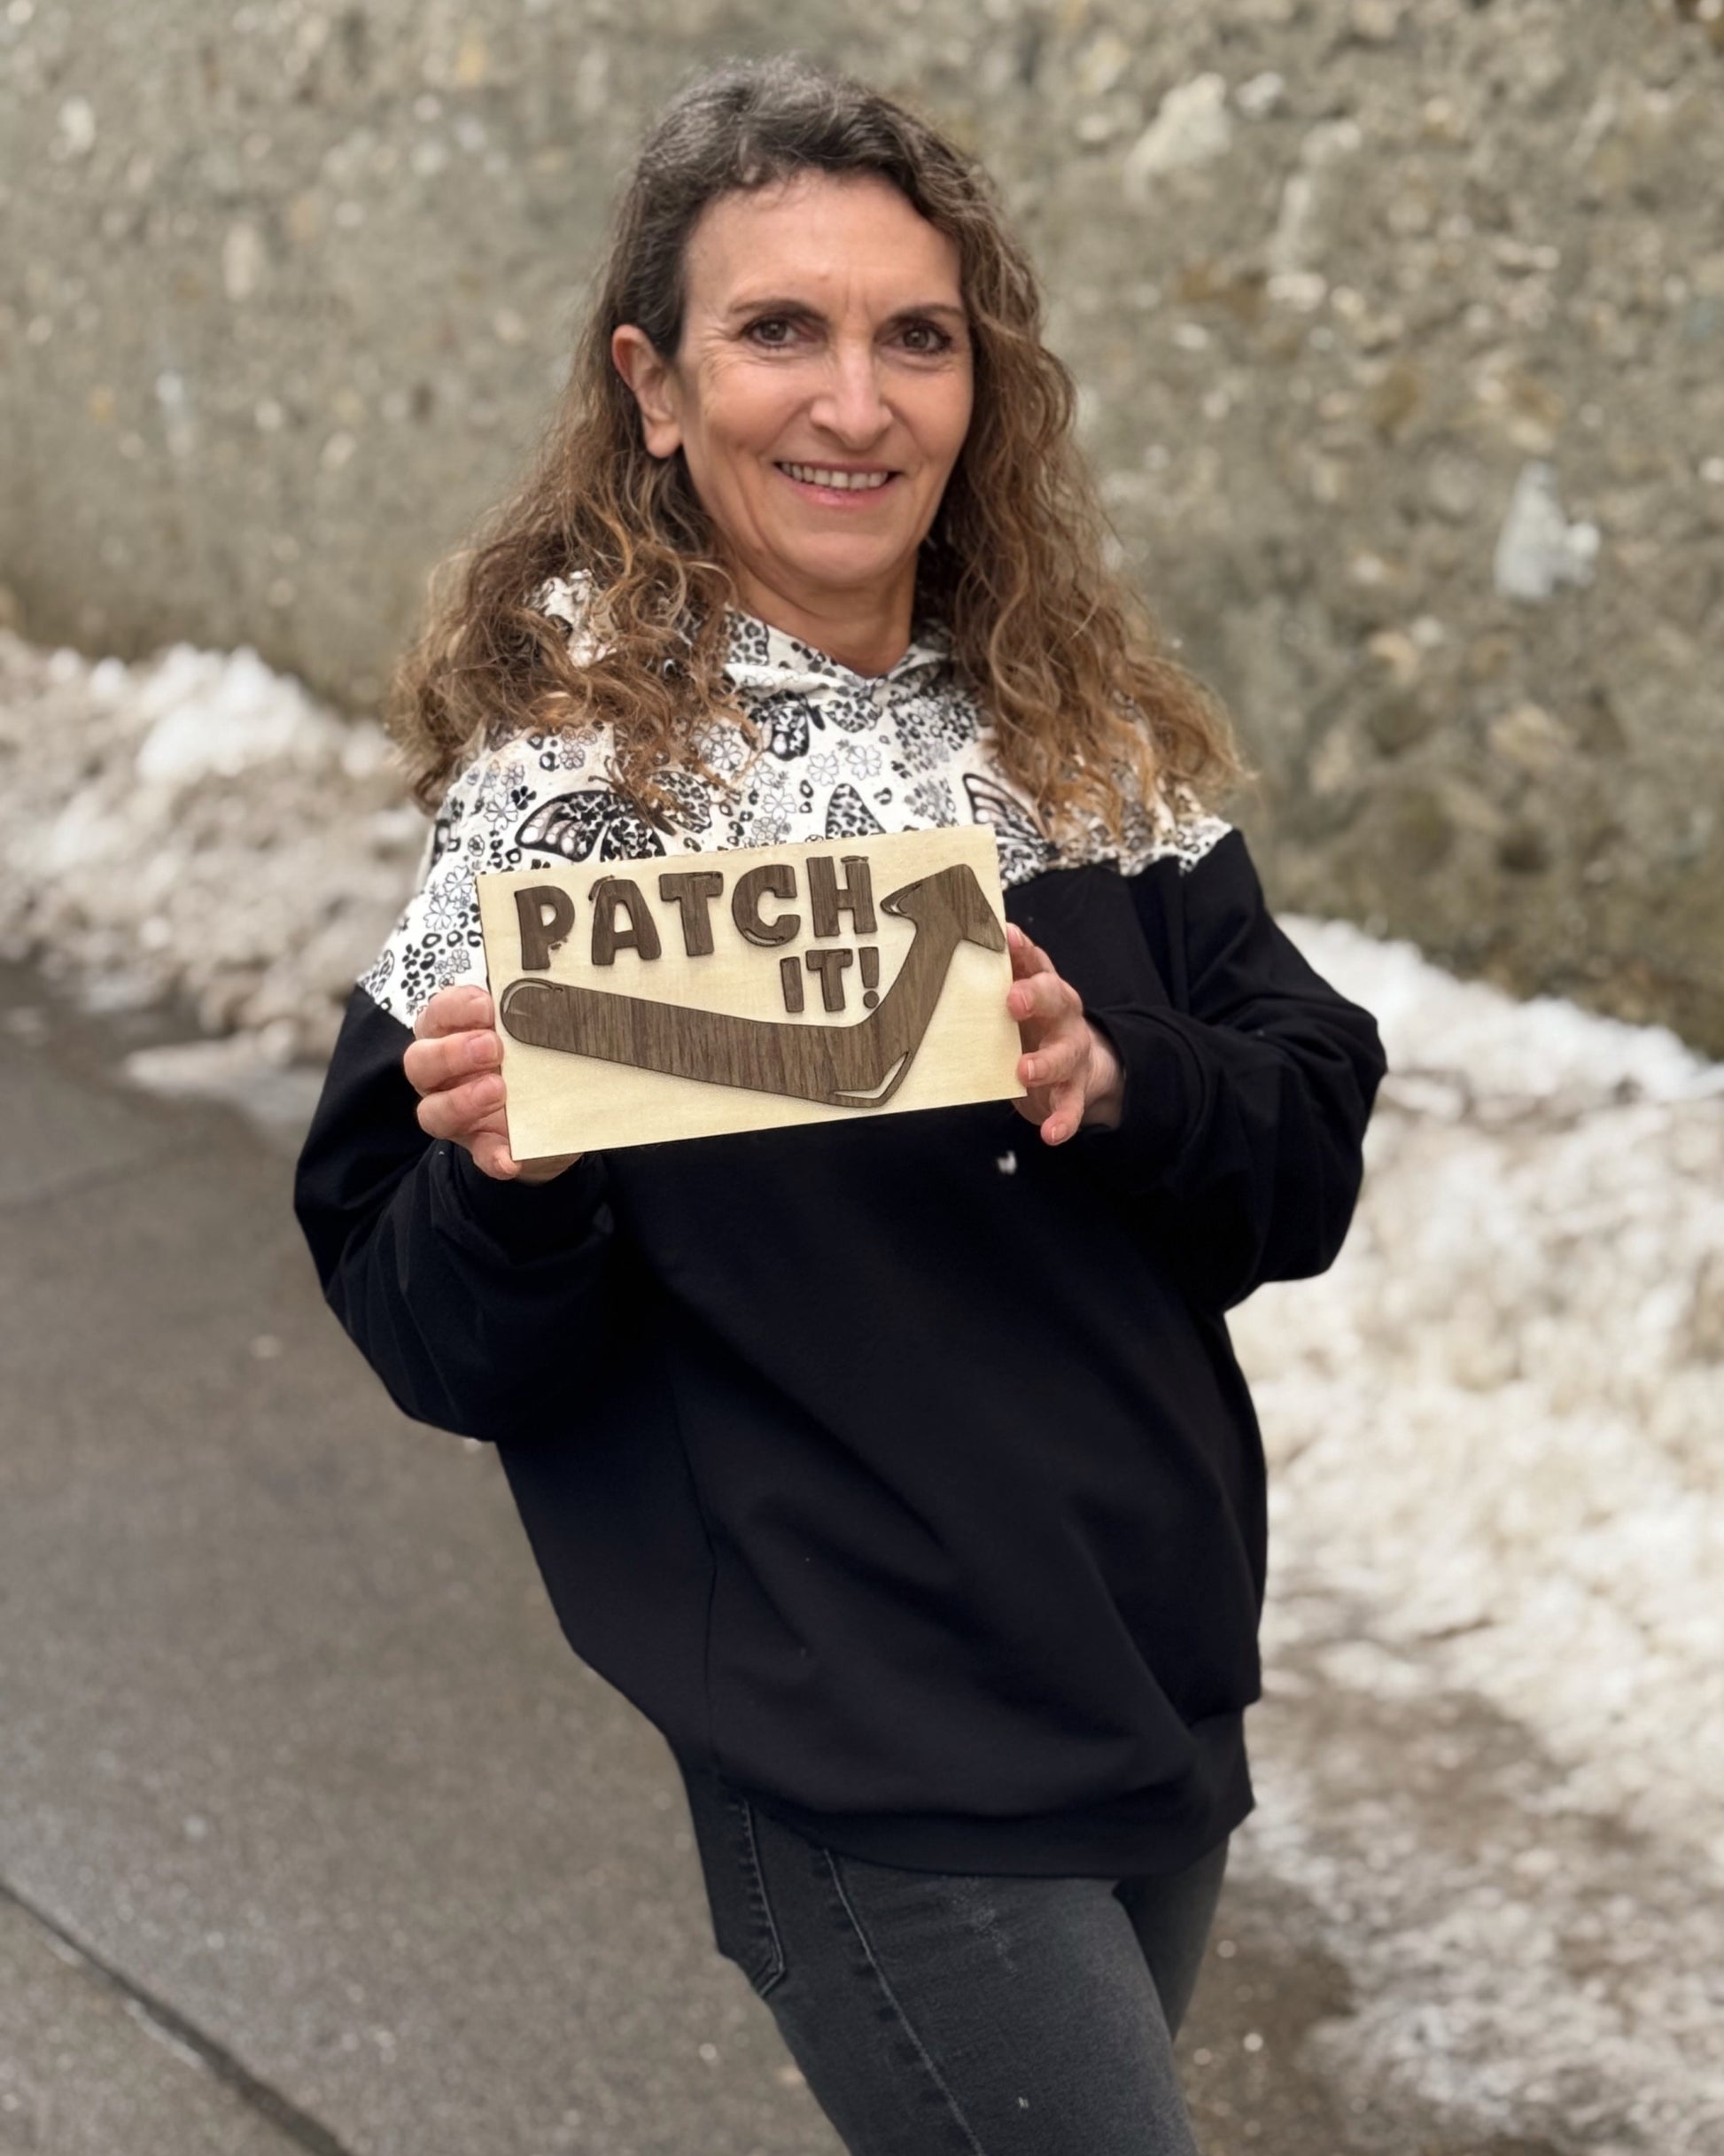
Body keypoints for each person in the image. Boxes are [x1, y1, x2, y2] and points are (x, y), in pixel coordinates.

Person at [293, 53, 1386, 2156]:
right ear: (656, 382)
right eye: (779, 329)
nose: (856, 403)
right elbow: (434, 1328)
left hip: (1144, 1657)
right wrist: (516, 1181)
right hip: (858, 1735)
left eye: (917, 337)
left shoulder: (1078, 738)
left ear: (983, 385)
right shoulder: (572, 805)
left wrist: (1120, 1073)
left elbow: (1304, 1146)